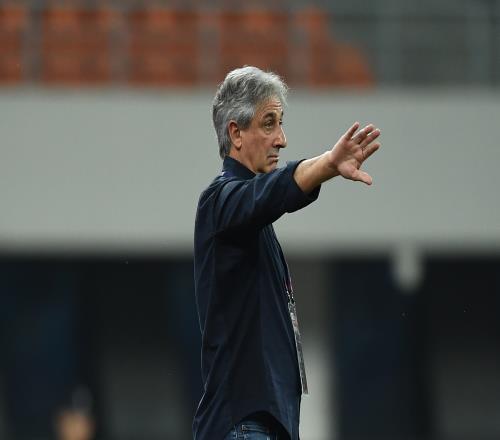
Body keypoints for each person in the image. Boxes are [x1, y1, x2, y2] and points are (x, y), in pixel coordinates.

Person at [193, 66, 381, 440]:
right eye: (269, 124)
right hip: (244, 426)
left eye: (280, 124)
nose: (282, 139)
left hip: (262, 426)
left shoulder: (251, 223)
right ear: (235, 133)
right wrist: (328, 164)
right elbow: (272, 193)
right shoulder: (220, 201)